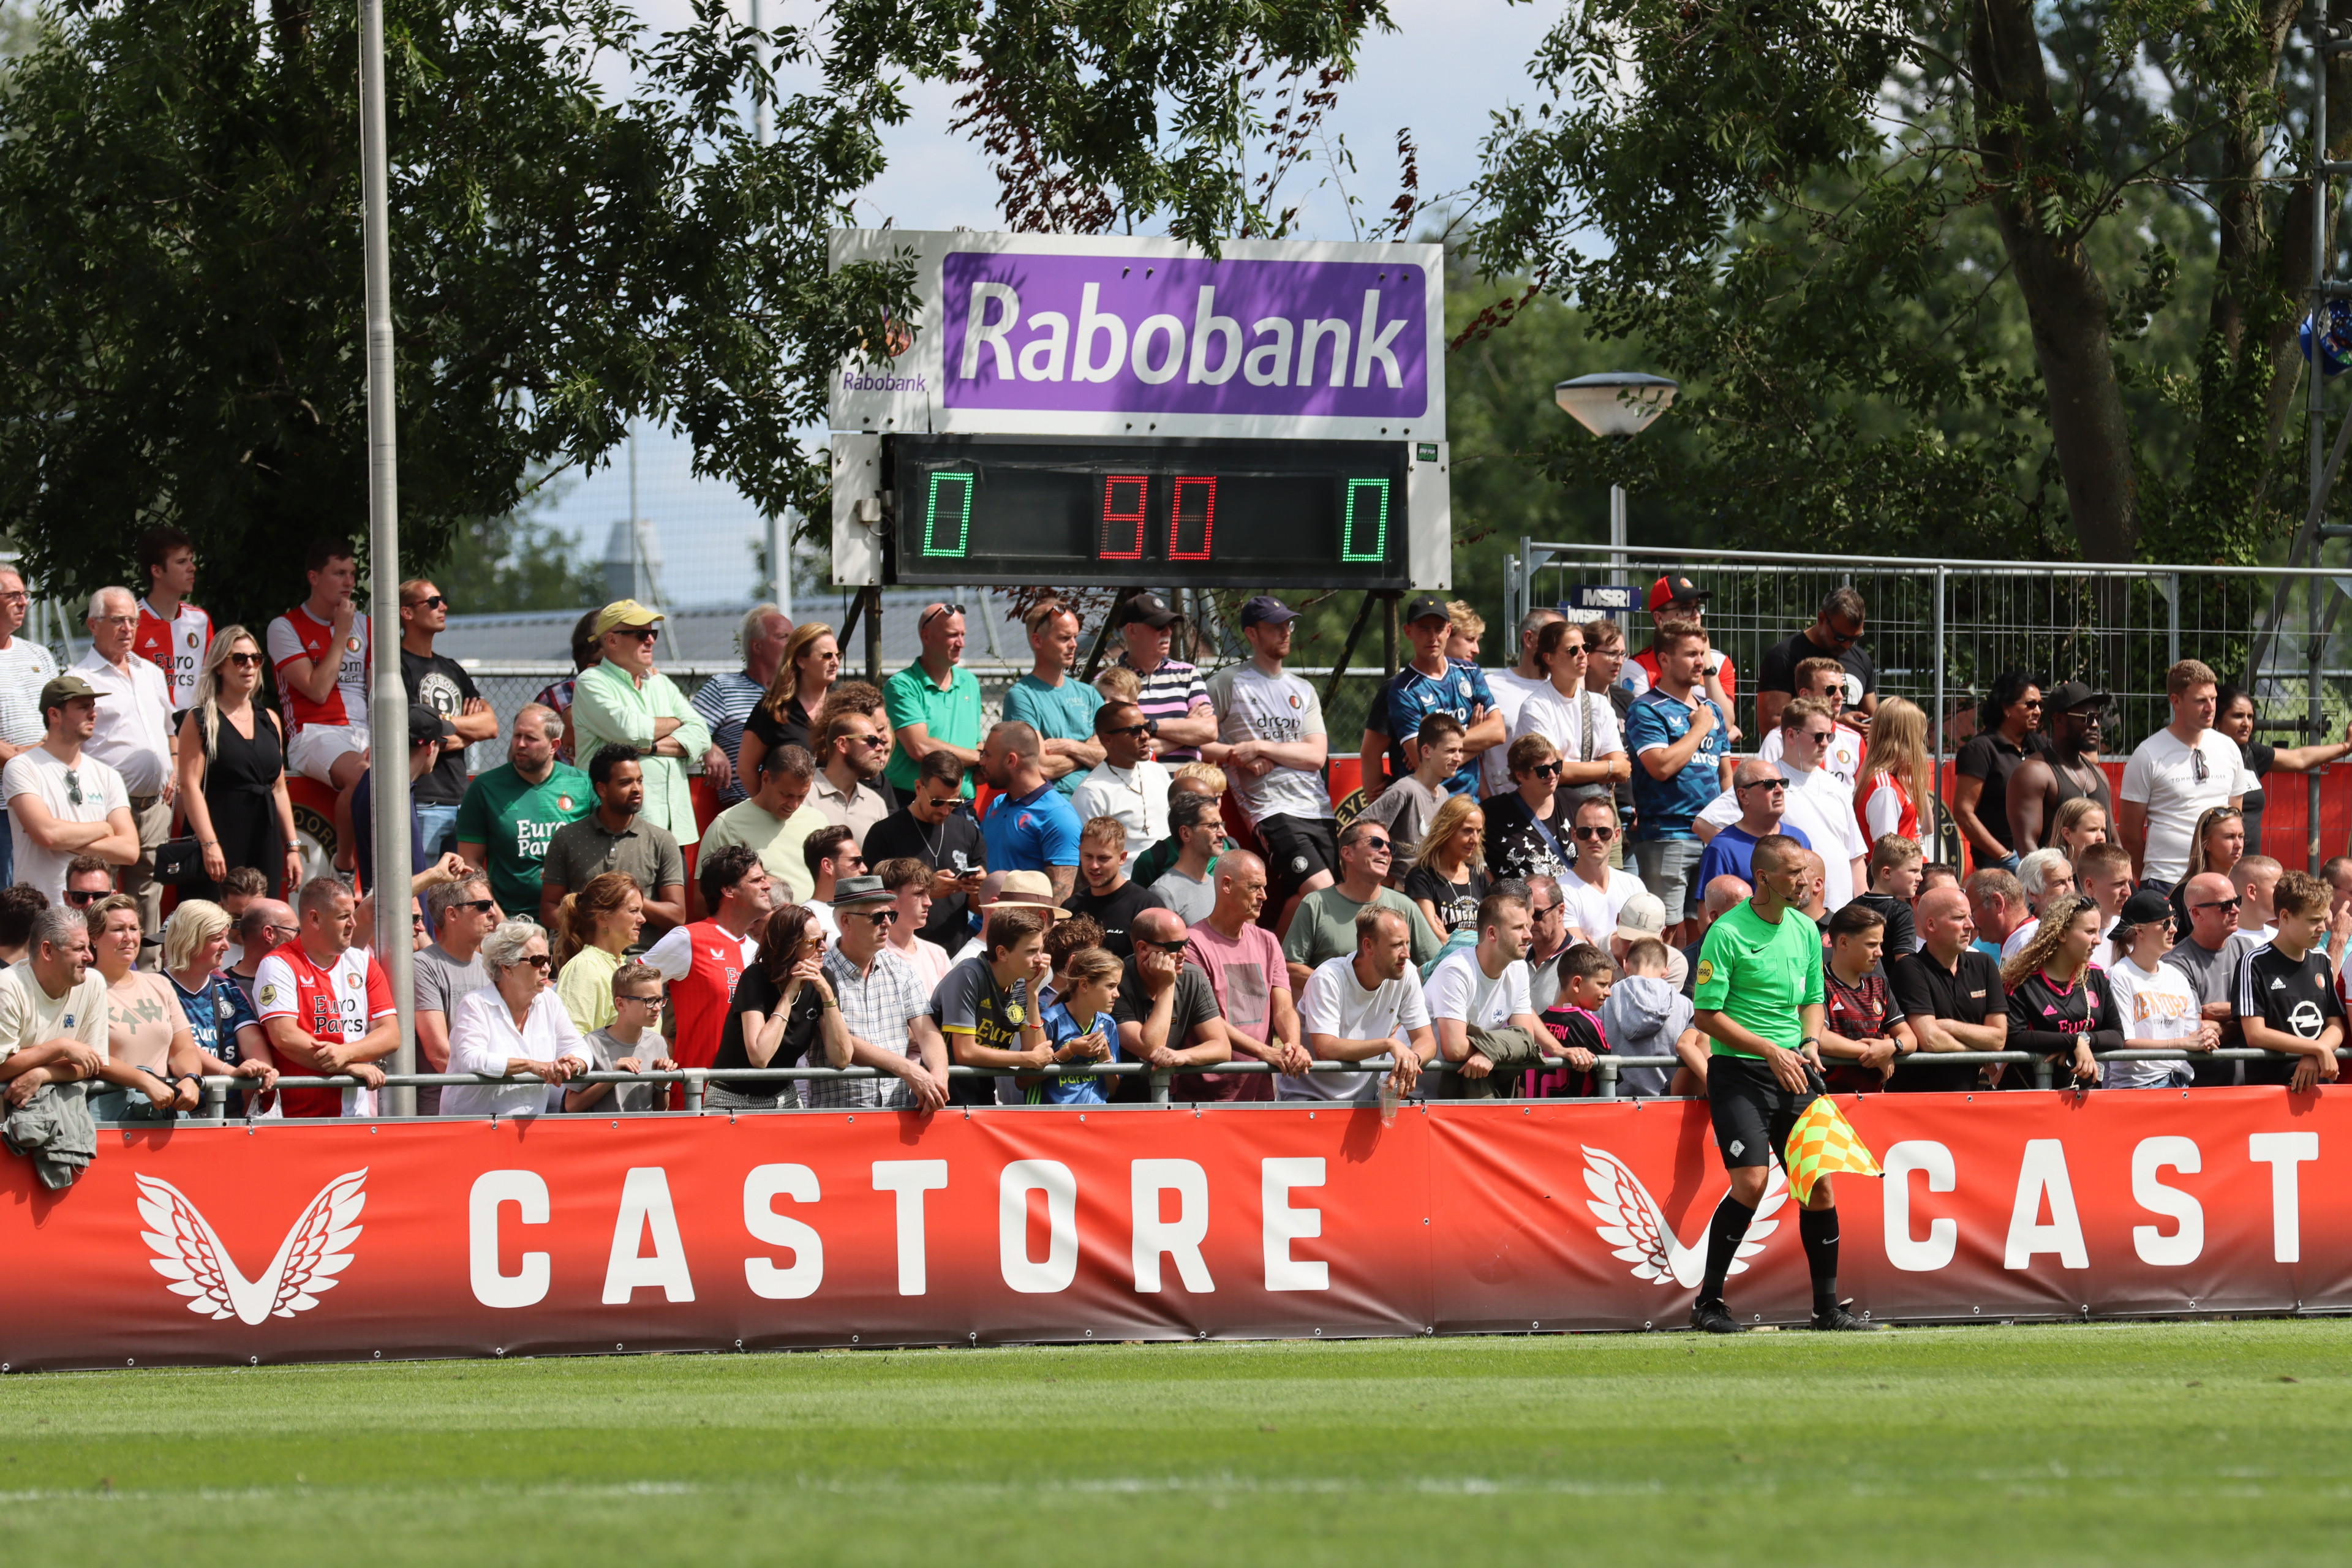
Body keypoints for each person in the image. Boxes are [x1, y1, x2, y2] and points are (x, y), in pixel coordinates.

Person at [1687, 834, 1868, 1333]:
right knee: (1751, 1183)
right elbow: (1705, 1017)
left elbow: (1813, 1000)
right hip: (1739, 1074)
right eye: (1793, 873)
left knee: (1819, 1187)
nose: (1805, 881)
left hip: (1795, 1070)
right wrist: (1769, 1049)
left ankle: (1826, 1310)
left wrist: (1809, 1042)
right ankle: (1708, 1304)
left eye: (1806, 871)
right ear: (1763, 877)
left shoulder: (1807, 929)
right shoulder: (1726, 933)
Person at [1202, 595, 1340, 929]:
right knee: (1324, 894)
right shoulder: (1227, 682)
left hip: (1317, 807)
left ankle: (1273, 956)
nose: (1285, 632)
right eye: (1275, 627)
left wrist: (1259, 746)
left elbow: (1315, 755)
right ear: (1251, 633)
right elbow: (1198, 741)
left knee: (1311, 899)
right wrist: (1236, 756)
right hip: (1272, 810)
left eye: (1288, 625)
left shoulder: (1302, 689)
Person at [73, 586, 176, 935]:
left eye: (133, 620)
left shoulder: (151, 673)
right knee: (99, 894)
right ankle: (93, 963)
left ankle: (146, 967)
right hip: (106, 808)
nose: (128, 628)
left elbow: (170, 729)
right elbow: (71, 746)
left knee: (149, 896)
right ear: (93, 624)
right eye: (118, 620)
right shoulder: (79, 679)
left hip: (155, 805)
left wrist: (174, 765)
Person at [1698, 699, 1866, 913]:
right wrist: (1756, 858)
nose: (1825, 743)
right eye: (1818, 736)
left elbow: (1855, 856)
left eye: (1829, 736)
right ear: (1791, 735)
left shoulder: (1836, 786)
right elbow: (1704, 823)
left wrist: (1863, 907)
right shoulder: (1765, 782)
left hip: (1841, 911)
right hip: (1793, 913)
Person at [175, 626, 303, 902]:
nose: (249, 665)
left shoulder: (270, 719)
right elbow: (190, 786)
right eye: (239, 659)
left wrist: (293, 847)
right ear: (219, 666)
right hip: (218, 833)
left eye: (255, 659)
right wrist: (208, 843)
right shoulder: (199, 719)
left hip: (264, 834)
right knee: (211, 918)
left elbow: (279, 788)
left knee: (263, 916)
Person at [570, 600, 710, 850]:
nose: (651, 640)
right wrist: (678, 722)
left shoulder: (661, 683)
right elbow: (630, 731)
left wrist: (652, 747)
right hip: (616, 830)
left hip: (673, 832)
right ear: (611, 641)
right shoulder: (591, 682)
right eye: (640, 634)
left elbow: (702, 735)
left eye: (653, 633)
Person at [253, 877, 397, 1117]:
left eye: (353, 915)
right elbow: (284, 1036)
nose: (353, 923)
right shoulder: (278, 964)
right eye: (343, 916)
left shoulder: (363, 963)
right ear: (315, 919)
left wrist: (346, 1054)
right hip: (297, 1119)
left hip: (357, 1118)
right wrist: (347, 1067)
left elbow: (390, 1035)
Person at [1627, 619, 1732, 940]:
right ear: (1664, 659)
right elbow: (1660, 766)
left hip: (1712, 837)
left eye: (1702, 654)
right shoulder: (1647, 709)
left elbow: (1725, 775)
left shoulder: (1711, 710)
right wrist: (1699, 729)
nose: (1701, 662)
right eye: (1690, 654)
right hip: (1666, 835)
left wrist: (1729, 831)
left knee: (1707, 929)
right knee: (1662, 932)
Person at [809, 875, 950, 1110]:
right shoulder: (819, 975)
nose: (887, 923)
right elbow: (842, 1042)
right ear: (846, 921)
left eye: (890, 915)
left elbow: (927, 1032)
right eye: (877, 917)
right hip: (840, 1115)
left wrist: (939, 1076)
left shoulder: (901, 970)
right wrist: (908, 1068)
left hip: (897, 1113)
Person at [1183, 850, 1308, 1101]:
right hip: (1206, 1096)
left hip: (1258, 1090)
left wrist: (1293, 1046)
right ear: (1227, 885)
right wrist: (1265, 1052)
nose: (1264, 896)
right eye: (1254, 887)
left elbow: (1284, 1008)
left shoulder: (1268, 941)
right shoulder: (1192, 943)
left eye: (1264, 887)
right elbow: (1206, 1018)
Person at [268, 540, 371, 839]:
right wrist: (341, 633)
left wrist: (380, 740)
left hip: (363, 731)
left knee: (396, 776)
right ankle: (345, 863)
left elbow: (376, 693)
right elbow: (318, 690)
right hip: (313, 733)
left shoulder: (367, 624)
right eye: (339, 574)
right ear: (314, 577)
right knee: (365, 776)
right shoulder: (284, 626)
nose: (350, 582)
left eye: (352, 574)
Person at [2119, 658, 2250, 891]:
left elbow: (2234, 819)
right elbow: (2130, 837)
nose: (2210, 708)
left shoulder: (2229, 748)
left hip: (2216, 884)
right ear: (2176, 701)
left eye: (2213, 698)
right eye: (2200, 701)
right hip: (2165, 882)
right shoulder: (2148, 755)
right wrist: (2152, 881)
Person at [0, 906, 148, 1112]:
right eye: (79, 949)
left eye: (88, 947)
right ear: (48, 951)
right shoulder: (7, 987)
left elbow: (92, 1064)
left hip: (69, 1118)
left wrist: (43, 1074)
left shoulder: (92, 982)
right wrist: (60, 1047)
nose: (89, 957)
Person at [640, 843, 771, 1076]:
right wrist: (658, 1042)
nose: (767, 885)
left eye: (765, 879)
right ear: (728, 890)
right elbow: (628, 985)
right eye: (756, 880)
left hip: (750, 1088)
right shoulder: (688, 939)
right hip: (697, 1089)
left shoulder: (757, 951)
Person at [5, 674, 137, 905]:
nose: (93, 714)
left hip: (95, 911)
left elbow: (129, 851)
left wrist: (62, 839)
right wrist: (104, 828)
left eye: (93, 706)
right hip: (43, 910)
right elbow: (47, 835)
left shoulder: (108, 775)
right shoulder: (22, 767)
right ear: (54, 715)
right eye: (83, 707)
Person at [391, 578, 497, 858]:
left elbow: (490, 726)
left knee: (460, 882)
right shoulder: (396, 667)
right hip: (423, 799)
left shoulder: (452, 668)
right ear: (407, 612)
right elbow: (415, 735)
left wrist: (443, 724)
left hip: (461, 799)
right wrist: (467, 734)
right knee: (423, 880)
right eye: (433, 602)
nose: (444, 607)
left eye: (443, 600)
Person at [456, 703, 592, 919]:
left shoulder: (583, 785)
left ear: (554, 746)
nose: (520, 744)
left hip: (573, 916)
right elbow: (469, 863)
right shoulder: (485, 788)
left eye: (531, 738)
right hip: (511, 916)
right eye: (517, 736)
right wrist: (499, 920)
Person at [442, 919, 589, 1118]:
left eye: (548, 959)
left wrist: (572, 1065)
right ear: (506, 967)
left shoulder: (550, 1000)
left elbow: (580, 1049)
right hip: (473, 1127)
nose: (547, 968)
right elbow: (472, 1059)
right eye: (537, 961)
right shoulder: (475, 1004)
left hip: (530, 1125)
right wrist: (531, 1066)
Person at [1359, 595, 1499, 803]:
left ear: (1448, 631)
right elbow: (1421, 763)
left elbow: (1497, 732)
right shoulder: (1400, 689)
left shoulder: (1470, 673)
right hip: (1427, 805)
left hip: (1468, 804)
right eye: (1425, 629)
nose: (1433, 637)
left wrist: (1439, 747)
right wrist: (1478, 742)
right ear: (1409, 632)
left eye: (1439, 629)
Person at [1291, 905, 1434, 1102]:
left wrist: (1410, 1063)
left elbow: (1427, 1040)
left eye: (1407, 943)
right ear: (1368, 946)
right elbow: (1326, 1048)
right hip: (1310, 1101)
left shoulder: (1405, 972)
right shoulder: (1327, 977)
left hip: (1366, 1103)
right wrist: (1389, 1044)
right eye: (1396, 945)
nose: (1407, 954)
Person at [538, 745, 687, 935]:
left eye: (640, 781)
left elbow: (677, 916)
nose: (637, 789)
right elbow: (549, 910)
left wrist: (629, 899)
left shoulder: (662, 841)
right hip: (584, 950)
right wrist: (591, 925)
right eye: (625, 783)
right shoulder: (567, 838)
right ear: (602, 789)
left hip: (641, 952)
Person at [1282, 818, 1443, 991]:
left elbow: (1436, 966)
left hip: (1392, 1010)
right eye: (1376, 843)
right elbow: (1289, 969)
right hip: (1333, 1008)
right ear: (1347, 853)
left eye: (1391, 847)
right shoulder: (1315, 904)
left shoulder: (1405, 906)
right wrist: (1341, 987)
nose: (1386, 851)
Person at [706, 903, 840, 1108]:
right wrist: (789, 994)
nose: (824, 947)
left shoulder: (823, 980)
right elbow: (760, 1057)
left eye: (823, 938)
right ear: (789, 946)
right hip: (733, 1098)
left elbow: (841, 1058)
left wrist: (828, 995)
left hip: (785, 1097)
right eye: (815, 942)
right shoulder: (755, 977)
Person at [78, 895, 200, 1119]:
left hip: (162, 1114)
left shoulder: (159, 984)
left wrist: (191, 1078)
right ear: (94, 937)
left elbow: (183, 1049)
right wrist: (144, 1081)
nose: (128, 938)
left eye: (134, 929)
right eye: (118, 930)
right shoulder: (79, 988)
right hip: (108, 1117)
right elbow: (88, 1056)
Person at [930, 905, 1058, 1107]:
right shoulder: (969, 975)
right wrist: (1026, 1059)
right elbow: (965, 1052)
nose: (1040, 960)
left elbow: (1036, 1059)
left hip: (982, 1100)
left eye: (1041, 950)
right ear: (1002, 953)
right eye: (1031, 951)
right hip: (943, 1100)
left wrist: (1032, 994)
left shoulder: (1022, 985)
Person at [1887, 886, 2008, 1092]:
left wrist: (1949, 1026)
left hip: (1970, 1099)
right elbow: (1930, 1040)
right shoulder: (1910, 968)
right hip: (1919, 1100)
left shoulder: (1984, 965)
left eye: (1970, 916)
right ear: (1931, 925)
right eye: (1959, 918)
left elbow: (1998, 1040)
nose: (1970, 925)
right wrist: (1978, 1053)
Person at [1425, 888, 1545, 1096]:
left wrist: (1490, 1053)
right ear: (1492, 934)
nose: (1528, 935)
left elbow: (1526, 1038)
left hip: (1455, 1098)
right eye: (1518, 928)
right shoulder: (1457, 970)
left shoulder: (1518, 969)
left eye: (1527, 926)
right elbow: (1454, 1049)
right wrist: (1496, 1049)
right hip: (1413, 1094)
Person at [864, 751, 984, 952]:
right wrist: (925, 890)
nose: (945, 810)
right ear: (919, 788)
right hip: (897, 950)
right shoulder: (885, 833)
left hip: (954, 952)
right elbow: (871, 900)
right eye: (937, 801)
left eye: (954, 803)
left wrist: (978, 888)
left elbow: (977, 907)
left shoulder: (968, 832)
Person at [2237, 869, 2346, 1090]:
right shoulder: (2254, 963)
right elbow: (2255, 1034)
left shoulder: (2321, 960)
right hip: (2273, 1089)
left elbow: (2336, 1027)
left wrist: (2315, 1054)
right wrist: (2316, 1049)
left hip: (2319, 1089)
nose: (2323, 928)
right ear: (2285, 917)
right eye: (2313, 921)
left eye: (2323, 919)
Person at [1510, 618, 1630, 813]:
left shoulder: (1599, 704)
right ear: (1549, 658)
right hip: (1555, 812)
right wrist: (1608, 768)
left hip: (1599, 812)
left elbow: (1622, 771)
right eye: (1573, 650)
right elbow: (1555, 771)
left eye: (1586, 647)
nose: (1582, 654)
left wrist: (1575, 769)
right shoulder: (1536, 708)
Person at [2214, 684, 2352, 852]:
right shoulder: (2206, 756)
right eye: (2237, 716)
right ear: (2217, 720)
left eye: (2250, 717)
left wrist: (2347, 746)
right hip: (2218, 858)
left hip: (2250, 861)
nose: (2246, 723)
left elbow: (2299, 759)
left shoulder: (2250, 752)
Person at [1999, 892, 2116, 1088]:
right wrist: (2071, 1042)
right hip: (2030, 1094)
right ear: (2062, 934)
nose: (2098, 940)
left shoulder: (2095, 976)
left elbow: (2117, 1035)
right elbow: (2013, 1036)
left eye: (2098, 931)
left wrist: (2083, 1040)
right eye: (2090, 932)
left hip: (2083, 1096)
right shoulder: (2021, 981)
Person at [1112, 906, 1231, 1093]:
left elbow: (1222, 1047)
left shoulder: (1194, 978)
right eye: (1174, 947)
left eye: (1186, 943)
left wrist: (1182, 1056)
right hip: (1119, 1101)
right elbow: (1151, 1047)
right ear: (1143, 948)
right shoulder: (1115, 983)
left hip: (1168, 1098)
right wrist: (1167, 984)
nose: (1184, 953)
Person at [345, 707, 462, 894]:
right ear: (430, 747)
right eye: (441, 743)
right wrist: (436, 874)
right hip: (399, 911)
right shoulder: (390, 795)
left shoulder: (374, 781)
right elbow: (392, 887)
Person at [2103, 888, 2209, 1089]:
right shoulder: (2119, 976)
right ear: (2140, 930)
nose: (2174, 929)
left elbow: (2191, 1035)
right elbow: (2124, 1043)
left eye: (2175, 921)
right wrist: (2180, 1044)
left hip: (2180, 1084)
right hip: (2139, 1087)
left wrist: (2205, 1037)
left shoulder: (2177, 977)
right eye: (2165, 924)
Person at [696, 741, 826, 905]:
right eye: (786, 794)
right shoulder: (726, 825)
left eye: (802, 796)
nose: (794, 805)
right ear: (765, 779)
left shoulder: (818, 821)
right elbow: (703, 901)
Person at [411, 874, 497, 1115]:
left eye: (492, 904)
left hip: (489, 1103)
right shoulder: (423, 965)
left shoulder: (490, 968)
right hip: (444, 1110)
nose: (492, 913)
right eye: (483, 906)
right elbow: (440, 1054)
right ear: (452, 914)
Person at [692, 603, 791, 810]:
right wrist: (709, 747)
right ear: (757, 646)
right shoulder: (724, 687)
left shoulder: (798, 694)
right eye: (784, 637)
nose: (794, 645)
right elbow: (688, 727)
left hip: (796, 805)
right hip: (744, 809)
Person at [884, 602, 986, 799]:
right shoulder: (902, 686)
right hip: (914, 801)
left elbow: (976, 743)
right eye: (952, 635)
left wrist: (983, 764)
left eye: (963, 635)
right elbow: (920, 748)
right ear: (926, 637)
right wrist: (979, 759)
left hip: (961, 802)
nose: (961, 643)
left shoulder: (970, 683)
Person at [1003, 601, 1105, 793]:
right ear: (1038, 641)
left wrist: (1070, 747)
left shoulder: (1089, 694)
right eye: (1064, 638)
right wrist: (1088, 751)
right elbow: (1042, 766)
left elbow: (1115, 755)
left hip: (1100, 798)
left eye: (1075, 637)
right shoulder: (1022, 697)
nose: (1074, 645)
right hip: (1055, 802)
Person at [2163, 869, 2253, 1085]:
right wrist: (2248, 1020)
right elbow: (2196, 1032)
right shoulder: (2176, 964)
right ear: (2196, 913)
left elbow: (2271, 1013)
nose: (2236, 910)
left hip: (2252, 1085)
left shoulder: (2247, 949)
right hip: (2203, 1088)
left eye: (2237, 901)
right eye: (2225, 906)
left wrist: (2228, 1014)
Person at [976, 721, 1082, 904]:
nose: (981, 762)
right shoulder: (997, 805)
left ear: (1011, 760)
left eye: (987, 755)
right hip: (983, 919)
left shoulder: (1058, 816)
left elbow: (1058, 901)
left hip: (1022, 922)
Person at [0, 566, 59, 889]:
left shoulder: (39, 655)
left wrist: (35, 753)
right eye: (13, 595)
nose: (23, 602)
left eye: (25, 594)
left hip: (44, 798)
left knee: (43, 894)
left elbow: (60, 718)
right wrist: (25, 759)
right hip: (3, 806)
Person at [2006, 680, 2113, 857]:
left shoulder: (2098, 775)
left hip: (2098, 874)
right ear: (2059, 720)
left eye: (2098, 717)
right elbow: (2026, 845)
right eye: (2087, 717)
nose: (2095, 725)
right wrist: (2061, 876)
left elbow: (2112, 840)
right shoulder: (2034, 772)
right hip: (2052, 874)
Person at [1817, 902, 1915, 1093]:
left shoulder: (1879, 985)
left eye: (1880, 945)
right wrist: (1875, 1053)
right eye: (1871, 945)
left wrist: (1891, 1046)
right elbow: (1820, 1037)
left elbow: (1910, 1038)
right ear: (1844, 943)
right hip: (1830, 1100)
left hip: (1873, 1099)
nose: (1880, 952)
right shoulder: (1820, 985)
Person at [1951, 671, 2043, 872]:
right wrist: (2005, 857)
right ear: (2006, 708)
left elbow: (2087, 759)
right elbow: (1963, 812)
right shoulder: (1980, 750)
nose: (2037, 711)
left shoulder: (2038, 746)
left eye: (2040, 705)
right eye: (2030, 704)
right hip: (1999, 865)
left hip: (2039, 860)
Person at [1111, 592, 1215, 763]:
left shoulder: (1188, 674)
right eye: (1158, 626)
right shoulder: (1109, 683)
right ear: (1132, 631)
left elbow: (1210, 731)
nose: (1168, 632)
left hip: (1188, 780)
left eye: (1171, 625)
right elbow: (1123, 749)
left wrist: (1149, 726)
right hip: (1138, 781)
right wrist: (1188, 733)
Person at [1755, 587, 1876, 733]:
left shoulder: (1861, 659)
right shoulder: (1784, 656)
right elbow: (1770, 725)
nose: (1847, 645)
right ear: (1821, 619)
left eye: (1854, 639)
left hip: (1853, 748)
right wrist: (1837, 726)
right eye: (1840, 638)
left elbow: (1873, 718)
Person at [564, 960, 678, 1114]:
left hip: (643, 1129)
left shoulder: (658, 1043)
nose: (657, 1008)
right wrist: (613, 1078)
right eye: (649, 1001)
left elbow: (661, 1109)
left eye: (659, 1000)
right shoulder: (592, 1044)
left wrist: (661, 1085)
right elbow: (571, 1105)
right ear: (621, 1004)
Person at [1068, 701, 1172, 869]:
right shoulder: (1092, 791)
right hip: (1126, 883)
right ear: (1108, 740)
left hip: (1170, 878)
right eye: (1135, 731)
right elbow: (1088, 859)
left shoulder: (1158, 771)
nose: (1145, 736)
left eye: (1147, 727)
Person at [1598, 938, 1706, 1097]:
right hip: (1669, 1104)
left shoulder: (1602, 1002)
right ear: (1665, 971)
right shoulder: (1686, 1006)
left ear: (1626, 965)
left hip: (1612, 1102)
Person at [1626, 576, 1738, 728]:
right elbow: (1644, 722)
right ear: (1659, 618)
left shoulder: (1720, 662)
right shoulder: (1639, 666)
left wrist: (1708, 664)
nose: (1696, 615)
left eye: (1698, 607)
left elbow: (1725, 724)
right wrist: (1703, 726)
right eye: (1685, 609)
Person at [1480, 608, 1566, 799]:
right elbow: (1476, 757)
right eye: (1554, 637)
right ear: (1529, 639)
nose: (1562, 644)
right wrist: (1488, 804)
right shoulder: (1490, 687)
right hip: (1502, 806)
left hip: (1556, 806)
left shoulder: (1565, 691)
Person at [550, 870, 644, 1038]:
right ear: (603, 919)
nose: (642, 919)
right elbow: (572, 1039)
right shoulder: (585, 967)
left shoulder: (620, 966)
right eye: (633, 911)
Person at [741, 620, 838, 782]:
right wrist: (767, 799)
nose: (835, 662)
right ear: (801, 661)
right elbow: (745, 769)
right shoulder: (773, 708)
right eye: (827, 656)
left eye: (838, 655)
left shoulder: (843, 705)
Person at [1357, 713, 1461, 862]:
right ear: (1426, 751)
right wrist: (1383, 873)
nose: (1458, 758)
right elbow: (1354, 831)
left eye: (1460, 751)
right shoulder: (1405, 790)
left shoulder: (1444, 794)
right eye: (1450, 751)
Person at [1753, 656, 1866, 789]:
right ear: (1805, 694)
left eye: (1843, 690)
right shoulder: (1779, 739)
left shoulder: (1854, 740)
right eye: (1830, 690)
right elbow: (1761, 790)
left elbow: (1861, 794)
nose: (1840, 697)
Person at [131, 526, 211, 715]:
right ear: (157, 571)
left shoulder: (200, 620)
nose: (192, 568)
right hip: (150, 724)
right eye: (182, 562)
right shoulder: (130, 622)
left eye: (191, 560)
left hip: (195, 723)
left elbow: (211, 677)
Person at [1030, 946, 1121, 1104]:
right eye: (1110, 986)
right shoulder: (1050, 1021)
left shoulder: (1108, 1024)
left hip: (1095, 1115)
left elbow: (1112, 1089)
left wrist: (1106, 1058)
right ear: (1084, 985)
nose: (1117, 994)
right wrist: (1069, 1051)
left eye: (1117, 986)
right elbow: (1023, 1081)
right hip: (1054, 1116)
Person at [1697, 761, 1810, 889]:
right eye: (1769, 784)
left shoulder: (1799, 838)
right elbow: (1710, 902)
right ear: (1743, 795)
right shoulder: (1721, 848)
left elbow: (1810, 895)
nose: (1780, 790)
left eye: (1782, 783)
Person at [1065, 816, 1164, 960]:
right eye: (1088, 856)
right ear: (1080, 852)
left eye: (1103, 858)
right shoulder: (1070, 908)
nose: (1094, 865)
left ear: (1122, 858)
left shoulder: (1147, 908)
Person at [1555, 795, 1646, 949]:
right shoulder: (1561, 890)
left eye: (1603, 832)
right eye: (1585, 832)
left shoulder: (1634, 885)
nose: (1594, 838)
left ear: (1616, 835)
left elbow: (1649, 943)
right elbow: (1581, 952)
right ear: (1574, 835)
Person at [1482, 734, 1571, 885]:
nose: (1552, 775)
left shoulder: (1572, 801)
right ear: (1520, 775)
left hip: (1575, 898)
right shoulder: (1492, 814)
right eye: (1543, 771)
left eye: (1556, 767)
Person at [807, 703, 894, 850]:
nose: (880, 748)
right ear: (842, 744)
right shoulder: (803, 793)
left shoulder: (876, 804)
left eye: (880, 742)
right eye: (871, 741)